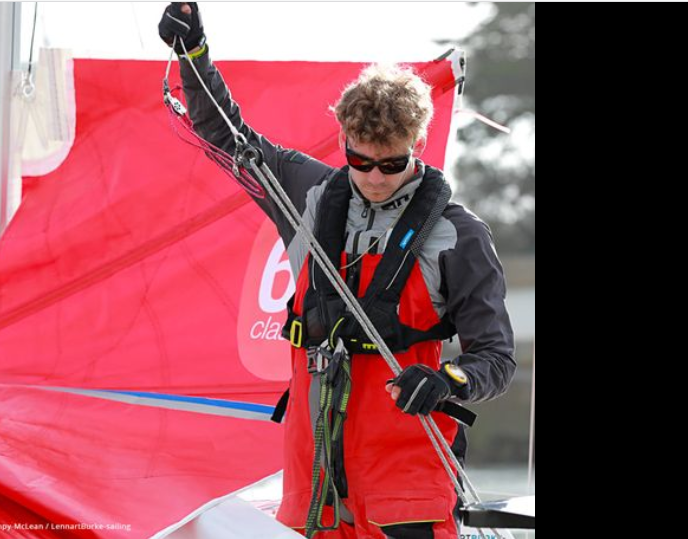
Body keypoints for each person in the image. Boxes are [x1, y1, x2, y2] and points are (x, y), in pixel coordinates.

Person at [159, 4, 516, 538]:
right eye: (361, 160)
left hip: (405, 491)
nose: (374, 177)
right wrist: (193, 54)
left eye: (391, 164)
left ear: (416, 146)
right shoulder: (304, 194)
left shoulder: (460, 237)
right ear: (345, 141)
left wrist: (447, 379)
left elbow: (496, 357)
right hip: (314, 490)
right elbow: (225, 132)